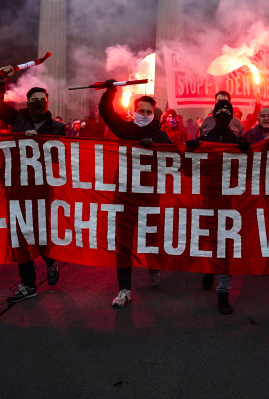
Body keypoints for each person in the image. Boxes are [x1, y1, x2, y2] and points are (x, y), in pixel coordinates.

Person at [0, 66, 67, 304]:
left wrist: (42, 143)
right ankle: (28, 284)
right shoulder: (18, 118)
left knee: (41, 232)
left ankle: (50, 260)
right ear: (27, 102)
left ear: (47, 101)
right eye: (33, 100)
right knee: (20, 234)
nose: (38, 103)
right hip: (17, 185)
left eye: (41, 100)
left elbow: (60, 157)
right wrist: (1, 79)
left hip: (42, 187)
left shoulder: (57, 128)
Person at [99, 79, 171, 307]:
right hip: (125, 194)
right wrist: (111, 90)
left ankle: (153, 264)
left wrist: (157, 147)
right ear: (134, 111)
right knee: (124, 242)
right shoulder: (126, 129)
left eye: (149, 111)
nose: (145, 114)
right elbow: (105, 112)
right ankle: (124, 289)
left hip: (150, 194)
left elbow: (176, 159)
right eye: (141, 110)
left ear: (153, 114)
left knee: (151, 236)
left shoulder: (160, 135)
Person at [187, 99, 251, 314]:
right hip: (207, 199)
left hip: (228, 202)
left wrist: (247, 151)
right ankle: (208, 271)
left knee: (225, 247)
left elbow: (250, 171)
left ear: (232, 116)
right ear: (213, 116)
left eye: (227, 112)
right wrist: (191, 150)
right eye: (220, 111)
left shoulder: (237, 141)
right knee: (207, 240)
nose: (224, 115)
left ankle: (223, 292)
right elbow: (188, 171)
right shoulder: (205, 139)